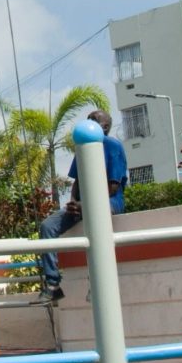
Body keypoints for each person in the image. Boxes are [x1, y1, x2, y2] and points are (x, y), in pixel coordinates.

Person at [37, 109, 128, 302]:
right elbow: (77, 182)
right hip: (82, 204)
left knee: (96, 219)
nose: (89, 121)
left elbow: (112, 188)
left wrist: (86, 205)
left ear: (105, 127)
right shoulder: (81, 147)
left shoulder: (112, 145)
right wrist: (72, 202)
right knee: (47, 227)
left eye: (94, 119)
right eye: (88, 119)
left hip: (109, 202)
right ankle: (53, 284)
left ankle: (97, 284)